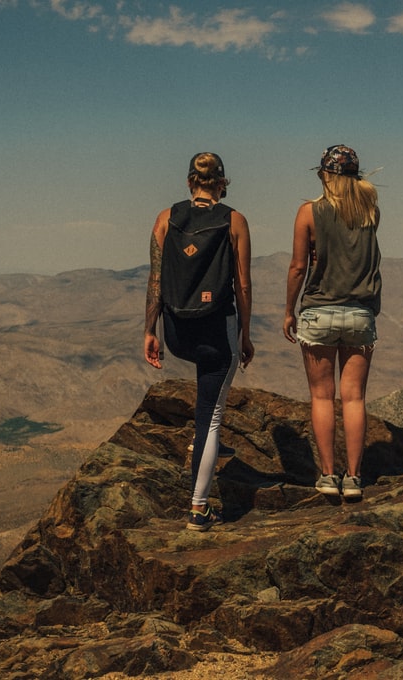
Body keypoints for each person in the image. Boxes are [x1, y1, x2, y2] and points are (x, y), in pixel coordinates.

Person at [144, 152, 254, 531]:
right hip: (215, 331)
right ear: (222, 184)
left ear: (190, 182)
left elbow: (156, 280)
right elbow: (242, 285)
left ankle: (207, 445)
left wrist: (150, 330)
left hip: (177, 333)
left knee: (206, 404)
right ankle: (199, 508)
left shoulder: (166, 218)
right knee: (210, 414)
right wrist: (245, 333)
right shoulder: (234, 221)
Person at [283, 144, 381, 500]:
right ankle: (354, 478)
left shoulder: (308, 213)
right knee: (354, 399)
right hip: (360, 314)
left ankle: (327, 476)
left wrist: (289, 310)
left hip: (318, 312)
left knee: (322, 397)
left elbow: (298, 267)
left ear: (325, 174)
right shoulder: (370, 212)